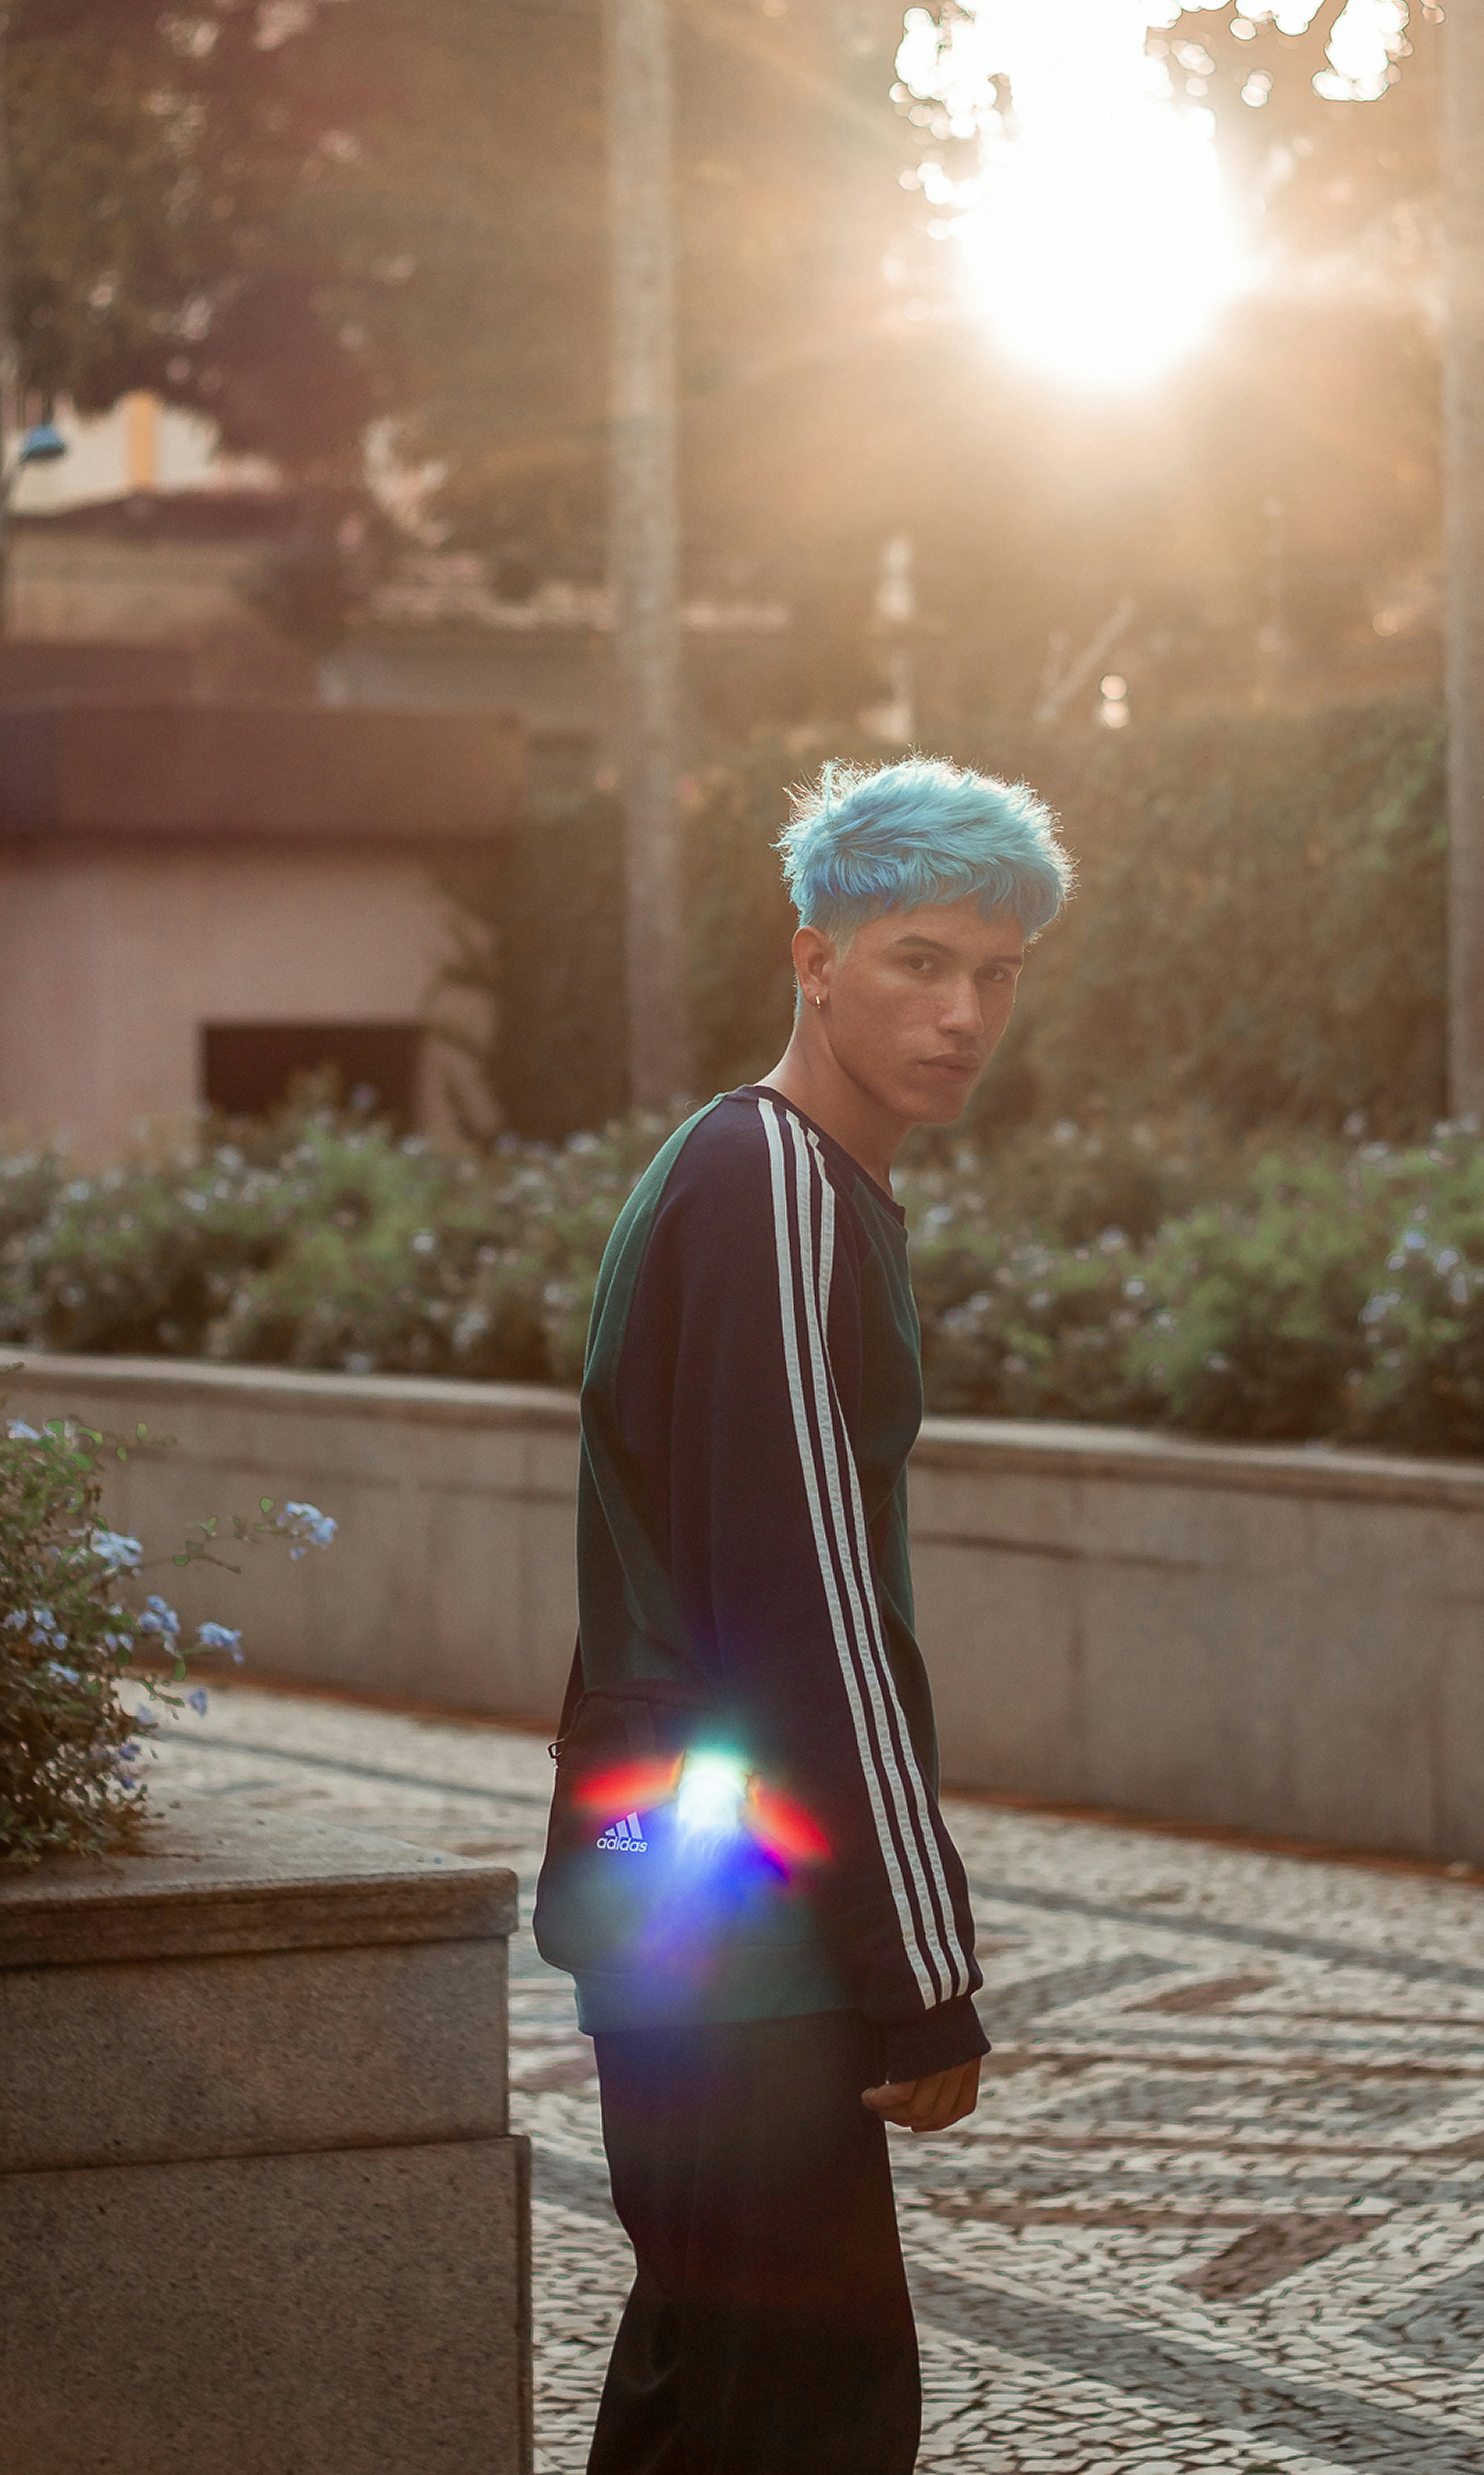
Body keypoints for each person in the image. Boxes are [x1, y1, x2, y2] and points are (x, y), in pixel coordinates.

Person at [542, 754, 1074, 2475]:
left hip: (684, 1904)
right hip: (736, 1927)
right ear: (814, 961)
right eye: (919, 962)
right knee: (806, 2421)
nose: (963, 1014)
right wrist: (920, 1964)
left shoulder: (797, 1183)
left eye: (996, 973)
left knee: (705, 2409)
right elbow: (809, 1605)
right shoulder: (768, 1181)